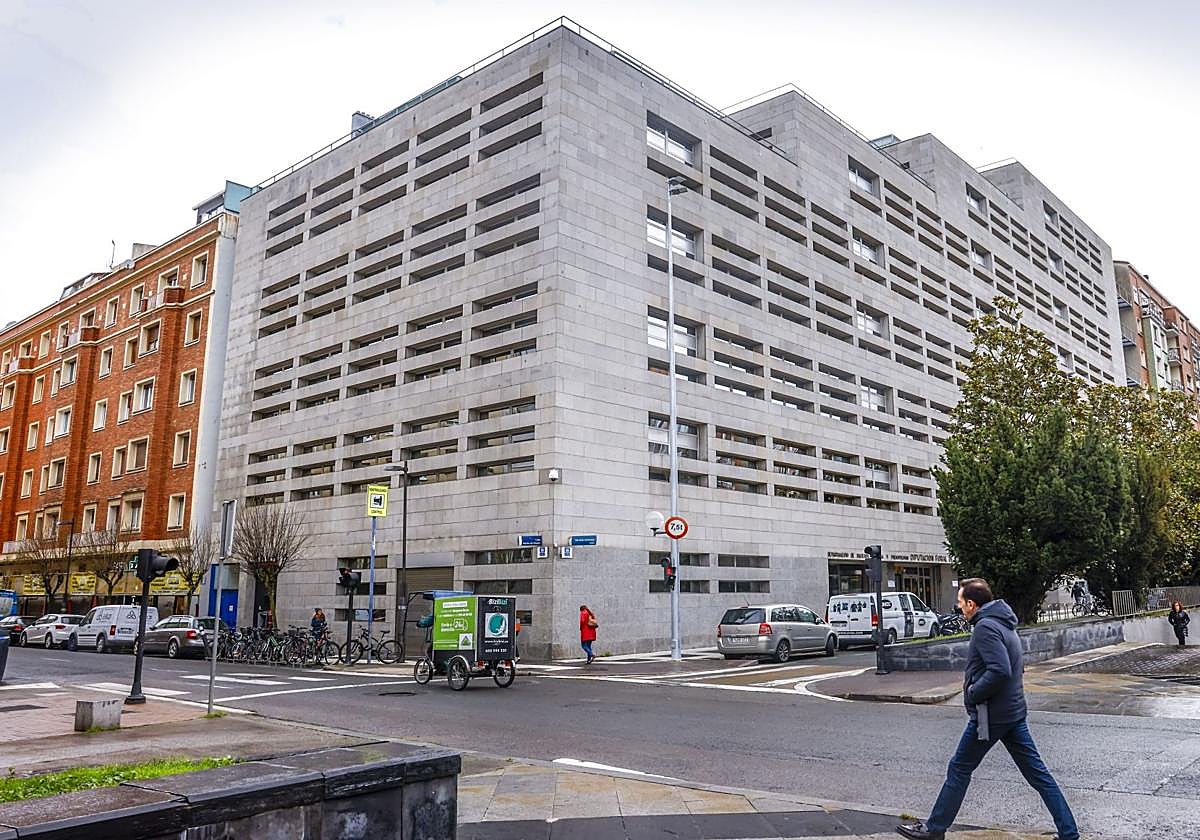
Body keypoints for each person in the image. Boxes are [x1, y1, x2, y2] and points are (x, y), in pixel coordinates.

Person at [896, 579, 1079, 840]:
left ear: (971, 604)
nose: (959, 608)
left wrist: (973, 692)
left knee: (959, 768)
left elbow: (1000, 670)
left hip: (991, 715)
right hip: (1012, 712)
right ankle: (1069, 833)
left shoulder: (985, 627)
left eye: (960, 603)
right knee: (1039, 775)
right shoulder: (1004, 623)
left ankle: (935, 829)